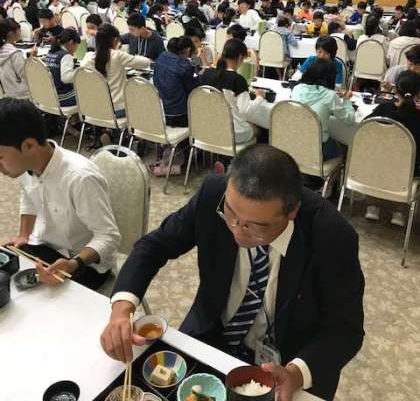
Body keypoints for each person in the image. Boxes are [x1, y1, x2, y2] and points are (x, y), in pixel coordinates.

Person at [101, 144, 364, 401]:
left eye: (256, 226)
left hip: (287, 361)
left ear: (292, 211)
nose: (237, 231)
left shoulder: (332, 236)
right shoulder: (214, 193)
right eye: (230, 214)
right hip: (211, 334)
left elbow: (345, 330)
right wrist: (122, 309)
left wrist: (296, 373)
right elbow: (154, 246)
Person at [0, 98, 120, 290]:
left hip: (84, 262)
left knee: (39, 301)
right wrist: (23, 235)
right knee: (8, 279)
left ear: (29, 145)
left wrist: (74, 263)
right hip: (45, 247)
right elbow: (28, 199)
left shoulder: (80, 177)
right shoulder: (26, 166)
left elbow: (109, 236)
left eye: (0, 157)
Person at [364, 71, 420, 227]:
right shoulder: (417, 117)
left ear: (396, 90)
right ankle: (399, 211)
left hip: (379, 165)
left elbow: (365, 128)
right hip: (407, 171)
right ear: (418, 93)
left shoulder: (383, 109)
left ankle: (372, 205)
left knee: (377, 158)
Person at [199, 39, 262, 144]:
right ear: (240, 57)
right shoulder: (238, 80)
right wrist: (260, 98)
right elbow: (246, 112)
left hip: (207, 128)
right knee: (258, 129)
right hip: (231, 133)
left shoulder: (206, 73)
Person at [81, 23, 150, 116]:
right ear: (115, 40)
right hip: (118, 109)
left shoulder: (88, 57)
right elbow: (145, 63)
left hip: (96, 109)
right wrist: (117, 50)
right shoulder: (117, 55)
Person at [292, 59, 355, 160]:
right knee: (344, 147)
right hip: (317, 147)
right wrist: (347, 100)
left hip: (295, 142)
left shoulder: (297, 89)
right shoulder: (329, 96)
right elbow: (349, 119)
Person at [153, 35, 199, 129]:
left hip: (160, 111)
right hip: (180, 115)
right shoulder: (184, 65)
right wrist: (196, 58)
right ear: (188, 49)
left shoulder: (162, 56)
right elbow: (193, 89)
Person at [43, 28, 80, 107]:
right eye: (77, 46)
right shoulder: (66, 56)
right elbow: (66, 78)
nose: (76, 49)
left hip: (50, 95)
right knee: (89, 93)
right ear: (71, 42)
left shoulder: (51, 52)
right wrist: (79, 71)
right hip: (62, 97)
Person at [0, 20, 30, 98]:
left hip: (8, 94)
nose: (20, 32)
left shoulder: (2, 50)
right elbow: (25, 75)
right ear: (11, 34)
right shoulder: (15, 53)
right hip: (23, 95)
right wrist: (31, 58)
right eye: (19, 30)